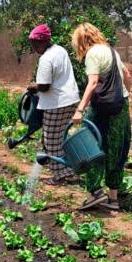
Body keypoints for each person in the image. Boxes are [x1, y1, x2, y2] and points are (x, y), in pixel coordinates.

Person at [70, 23, 132, 211]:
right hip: (121, 106)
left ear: (81, 41)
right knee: (116, 149)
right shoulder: (112, 51)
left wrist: (80, 109)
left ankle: (95, 193)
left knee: (92, 147)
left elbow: (93, 82)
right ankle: (113, 197)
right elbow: (127, 75)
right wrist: (126, 93)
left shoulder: (92, 54)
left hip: (100, 109)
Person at [26, 24, 81, 185]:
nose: (34, 47)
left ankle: (62, 175)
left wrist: (33, 86)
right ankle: (70, 169)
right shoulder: (60, 50)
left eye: (36, 44)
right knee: (62, 137)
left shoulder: (46, 59)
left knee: (50, 140)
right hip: (71, 100)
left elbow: (44, 86)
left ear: (43, 42)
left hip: (56, 103)